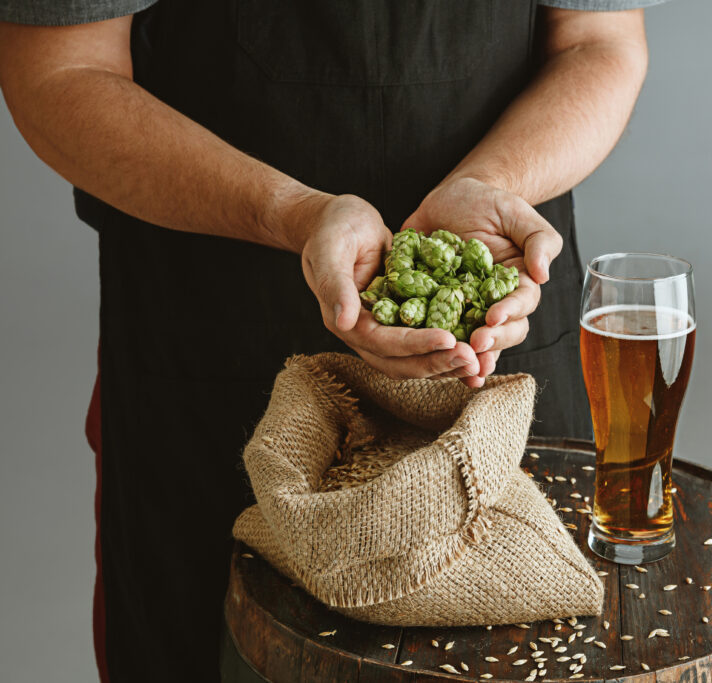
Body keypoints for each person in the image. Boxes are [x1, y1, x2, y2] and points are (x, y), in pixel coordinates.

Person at [0, 1, 656, 680]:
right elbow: (59, 72)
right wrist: (293, 213)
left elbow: (598, 42)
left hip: (495, 323)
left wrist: (490, 184)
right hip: (208, 343)